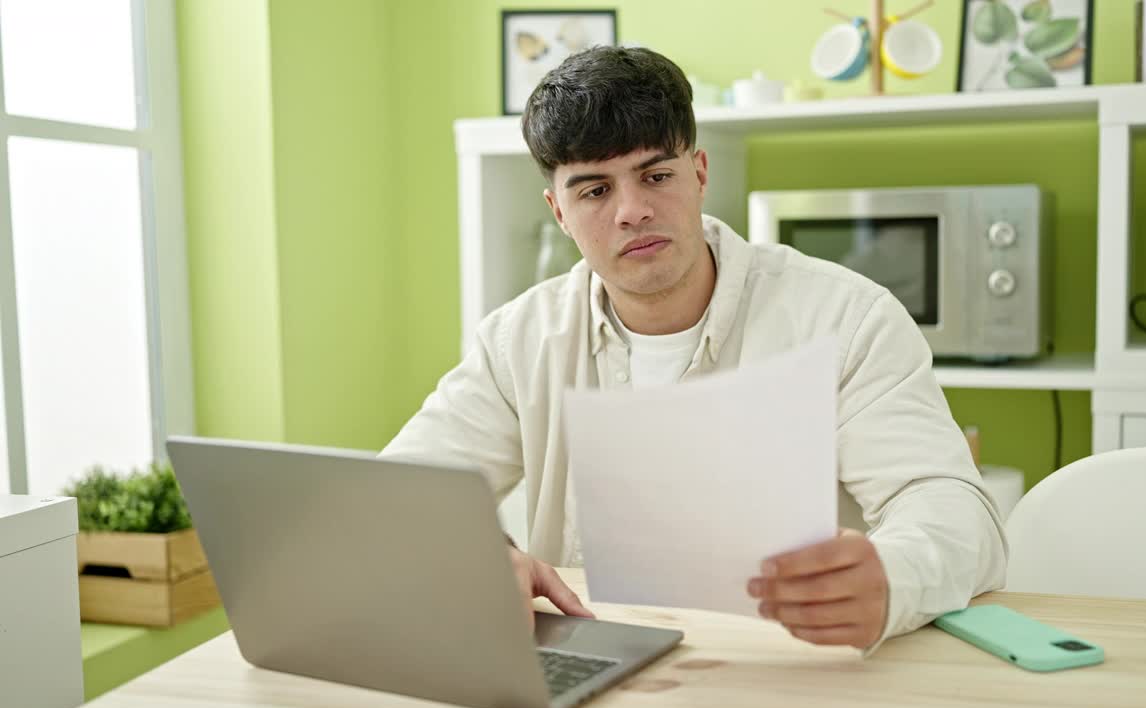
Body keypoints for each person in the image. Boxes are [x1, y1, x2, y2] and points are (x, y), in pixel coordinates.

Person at [382, 46, 1006, 652]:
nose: (632, 210)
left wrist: (892, 578)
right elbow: (400, 498)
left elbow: (955, 511)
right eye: (595, 191)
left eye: (656, 176)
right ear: (559, 212)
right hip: (591, 667)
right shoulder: (518, 340)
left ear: (700, 173)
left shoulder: (847, 318)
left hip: (790, 670)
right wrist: (486, 557)